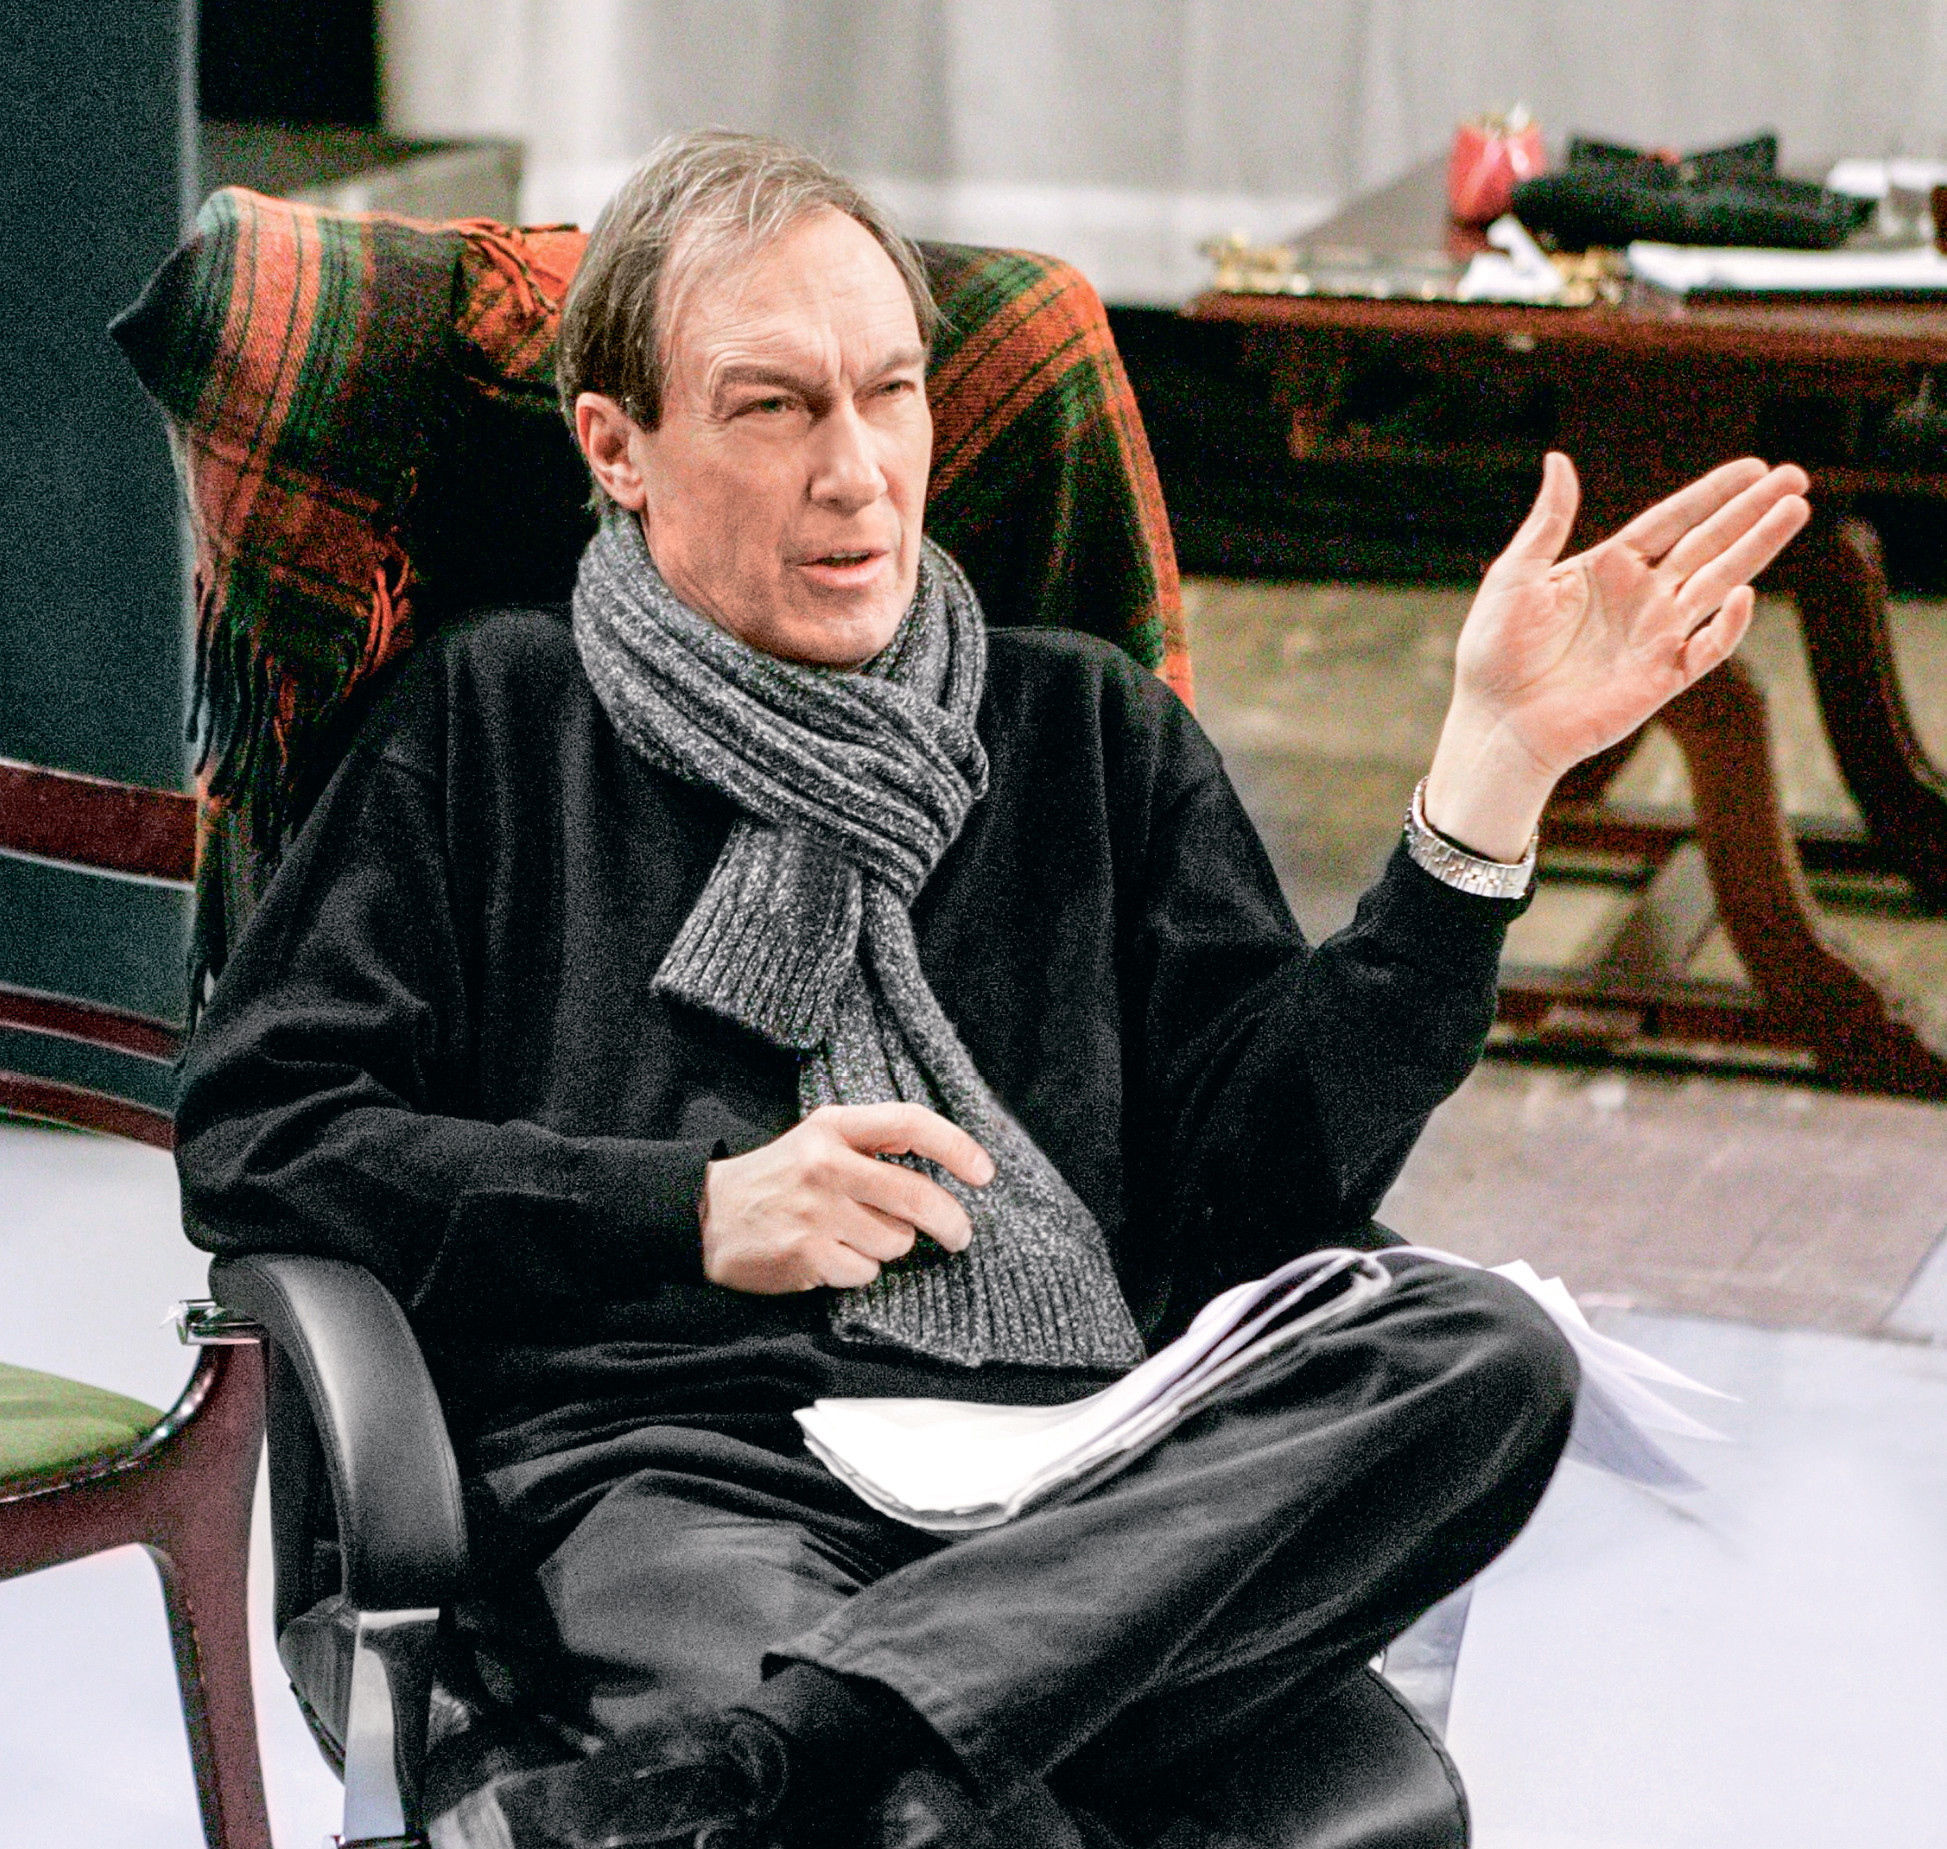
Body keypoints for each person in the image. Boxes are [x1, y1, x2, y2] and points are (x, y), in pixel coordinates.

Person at [174, 130, 1811, 1849]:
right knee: (963, 1823)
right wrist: (691, 1208)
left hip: (1088, 1487)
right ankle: (851, 1756)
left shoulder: (1086, 730)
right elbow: (263, 1136)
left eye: (890, 393)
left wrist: (1492, 773)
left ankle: (778, 1759)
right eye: (774, 407)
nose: (858, 473)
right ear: (617, 446)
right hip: (679, 1470)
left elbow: (1263, 1181)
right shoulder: (490, 724)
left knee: (1485, 1350)